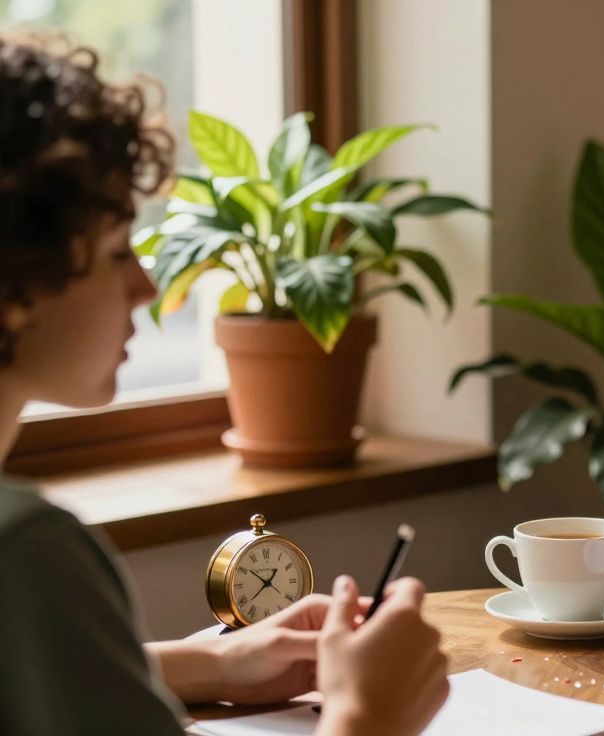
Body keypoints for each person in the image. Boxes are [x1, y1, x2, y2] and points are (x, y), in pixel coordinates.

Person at [0, 35, 449, 735]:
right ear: (16, 281)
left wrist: (216, 661)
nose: (146, 286)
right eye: (118, 253)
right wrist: (369, 714)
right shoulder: (25, 551)